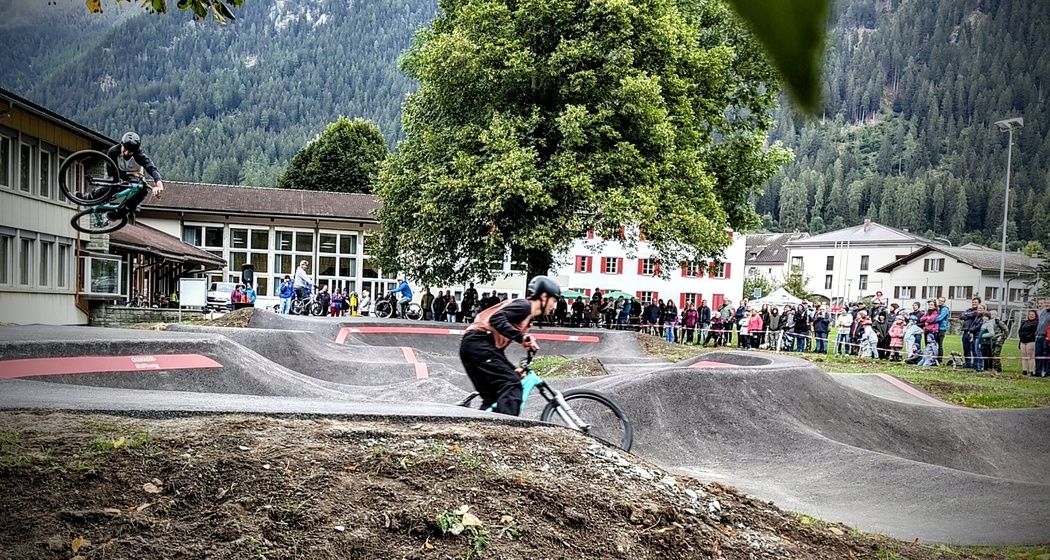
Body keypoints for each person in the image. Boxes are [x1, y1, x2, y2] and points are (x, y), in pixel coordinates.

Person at [459, 275, 561, 416]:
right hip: (478, 342)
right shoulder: (525, 306)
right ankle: (507, 431)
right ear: (544, 297)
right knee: (511, 384)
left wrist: (512, 369)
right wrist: (521, 337)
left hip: (474, 346)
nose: (553, 307)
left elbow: (496, 350)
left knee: (493, 398)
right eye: (554, 301)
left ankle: (482, 432)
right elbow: (496, 319)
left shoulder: (526, 318)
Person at [91, 132, 165, 222]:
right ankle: (91, 196)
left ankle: (123, 211)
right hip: (117, 174)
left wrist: (159, 184)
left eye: (130, 152)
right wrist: (128, 173)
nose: (126, 153)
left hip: (135, 178)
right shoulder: (113, 152)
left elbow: (151, 167)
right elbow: (111, 171)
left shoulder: (139, 155)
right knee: (114, 183)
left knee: (143, 190)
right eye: (125, 149)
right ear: (122, 145)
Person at [958, 297, 981, 368]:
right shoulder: (968, 310)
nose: (974, 303)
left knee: (973, 349)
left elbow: (973, 314)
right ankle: (967, 363)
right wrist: (967, 314)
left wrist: (966, 314)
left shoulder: (978, 311)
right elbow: (961, 316)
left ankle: (975, 364)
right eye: (973, 302)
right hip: (965, 331)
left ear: (979, 303)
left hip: (972, 333)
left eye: (975, 302)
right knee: (966, 348)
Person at [1019, 309, 1039, 376]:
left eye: (1032, 314)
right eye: (1030, 314)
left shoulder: (1036, 322)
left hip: (1031, 341)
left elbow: (1036, 332)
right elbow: (1020, 330)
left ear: (1035, 315)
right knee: (1024, 356)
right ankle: (1024, 370)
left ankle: (1031, 371)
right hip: (1023, 341)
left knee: (1030, 356)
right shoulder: (1025, 322)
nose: (1031, 316)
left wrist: (1029, 336)